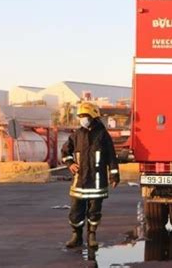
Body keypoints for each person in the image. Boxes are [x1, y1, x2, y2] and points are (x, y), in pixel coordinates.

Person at [62, 101, 120, 248]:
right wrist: (70, 163)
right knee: (76, 210)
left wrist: (114, 175)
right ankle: (76, 236)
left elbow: (111, 157)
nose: (82, 118)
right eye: (80, 116)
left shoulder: (102, 135)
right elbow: (65, 152)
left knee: (94, 211)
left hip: (97, 181)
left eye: (85, 115)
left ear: (93, 116)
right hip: (79, 181)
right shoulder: (76, 135)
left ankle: (92, 236)